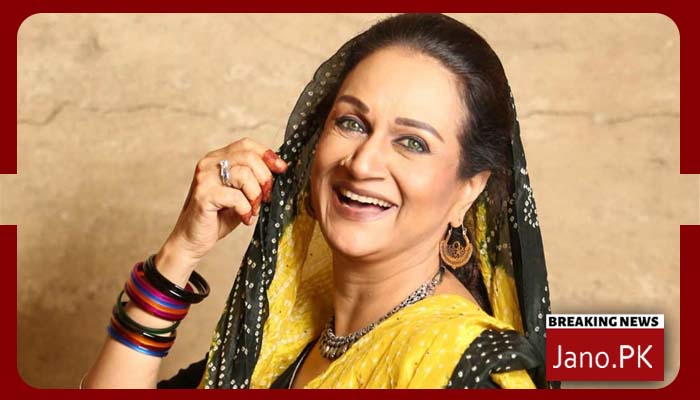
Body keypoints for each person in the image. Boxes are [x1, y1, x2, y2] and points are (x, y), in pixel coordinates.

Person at [82, 13, 558, 389]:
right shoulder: (281, 341)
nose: (363, 163)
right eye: (351, 123)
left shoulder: (465, 369)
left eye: (412, 142)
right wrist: (179, 254)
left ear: (467, 190)